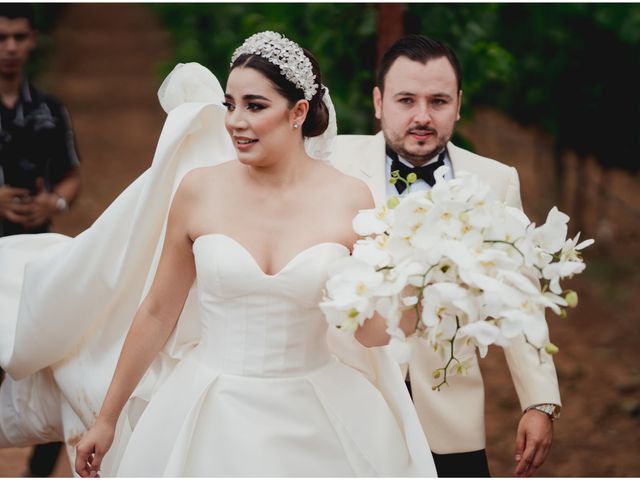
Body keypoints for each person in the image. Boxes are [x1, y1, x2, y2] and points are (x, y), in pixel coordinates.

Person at [0, 32, 437, 477]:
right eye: (230, 104)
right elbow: (156, 312)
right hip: (211, 408)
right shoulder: (198, 190)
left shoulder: (350, 198)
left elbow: (368, 333)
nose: (235, 121)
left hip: (318, 411)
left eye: (255, 105)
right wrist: (107, 418)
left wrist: (420, 289)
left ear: (298, 112)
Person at [330, 34, 561, 478]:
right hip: (347, 404)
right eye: (405, 100)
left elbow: (521, 298)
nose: (422, 116)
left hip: (449, 416)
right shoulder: (330, 163)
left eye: (437, 101)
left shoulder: (496, 181)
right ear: (378, 102)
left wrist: (540, 400)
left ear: (458, 104)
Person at [0, 4, 80, 477]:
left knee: (51, 361)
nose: (10, 47)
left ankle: (38, 469)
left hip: (35, 257)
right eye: (2, 37)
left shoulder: (51, 108)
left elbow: (72, 176)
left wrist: (57, 204)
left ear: (33, 41)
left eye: (19, 38)